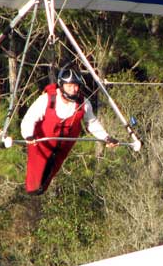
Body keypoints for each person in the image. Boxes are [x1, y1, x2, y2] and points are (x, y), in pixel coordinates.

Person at [20, 67, 118, 195]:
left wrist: (106, 137)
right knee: (34, 184)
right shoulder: (47, 99)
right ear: (62, 85)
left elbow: (92, 123)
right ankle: (33, 189)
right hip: (42, 144)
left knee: (44, 184)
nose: (73, 89)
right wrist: (28, 135)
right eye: (69, 86)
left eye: (76, 86)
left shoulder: (83, 103)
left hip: (63, 147)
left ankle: (40, 189)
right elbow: (29, 118)